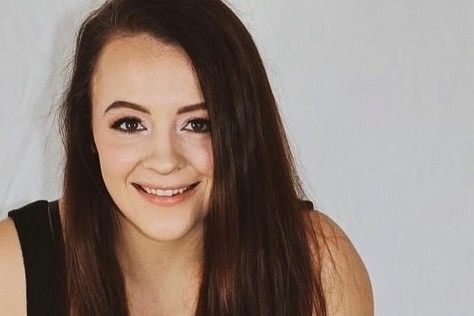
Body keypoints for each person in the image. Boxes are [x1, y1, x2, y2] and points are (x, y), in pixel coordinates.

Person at [0, 0, 373, 315]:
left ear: (239, 127)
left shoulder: (318, 266)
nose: (165, 161)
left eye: (198, 124)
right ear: (88, 131)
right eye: (130, 124)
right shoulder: (10, 270)